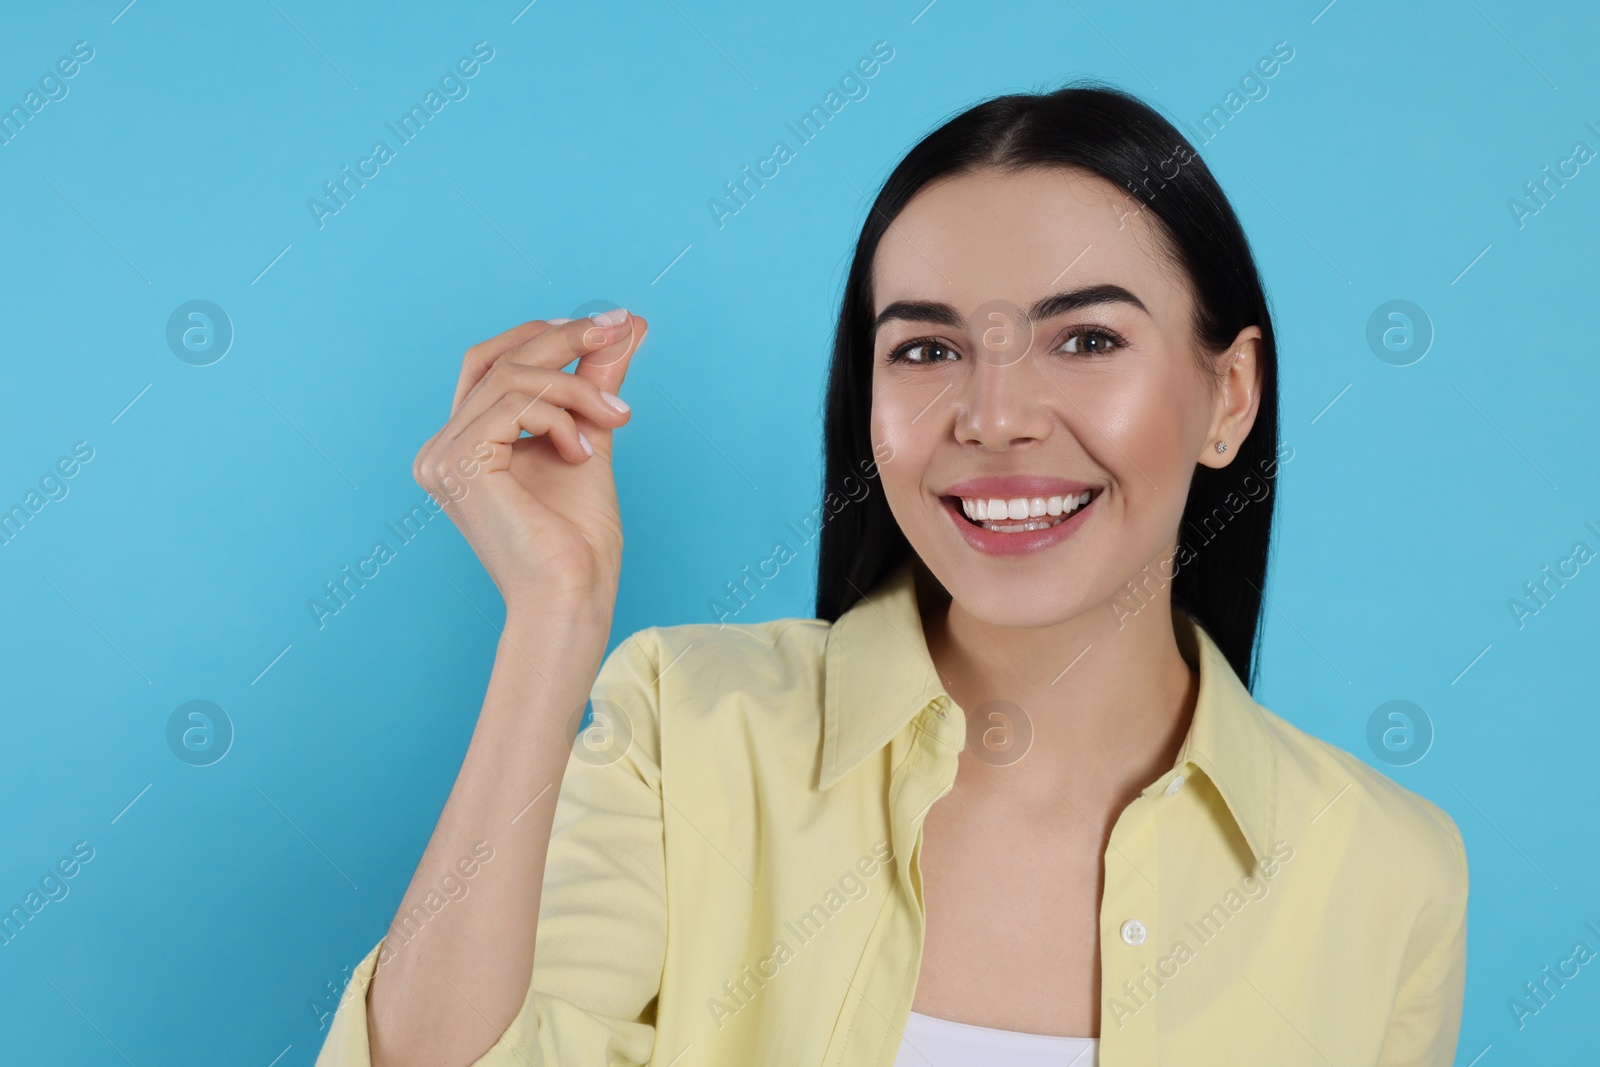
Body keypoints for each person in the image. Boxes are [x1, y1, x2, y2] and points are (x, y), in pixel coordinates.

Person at [316, 82, 1468, 1067]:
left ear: (1229, 395)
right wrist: (550, 614)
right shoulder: (693, 729)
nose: (996, 416)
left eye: (1086, 339)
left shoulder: (1386, 870)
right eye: (926, 348)